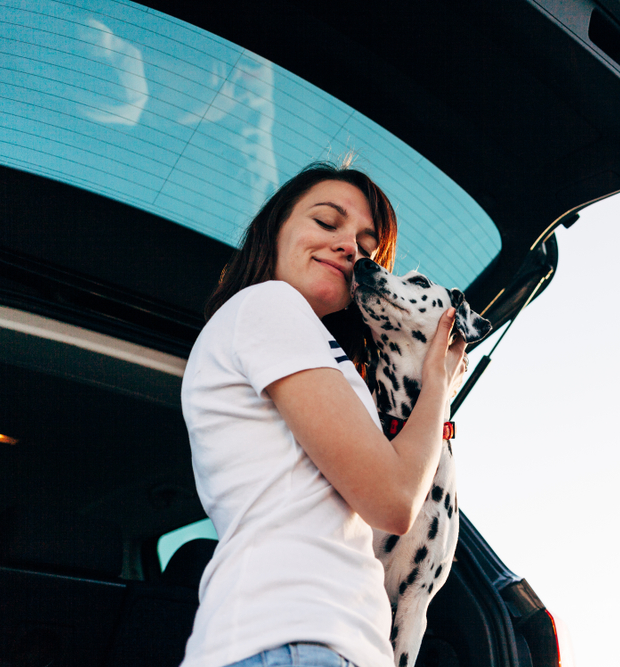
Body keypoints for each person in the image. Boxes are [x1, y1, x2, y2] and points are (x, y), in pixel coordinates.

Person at [179, 162, 468, 667]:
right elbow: (395, 498)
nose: (351, 247)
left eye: (365, 243)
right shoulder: (269, 305)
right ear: (274, 231)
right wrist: (439, 383)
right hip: (291, 641)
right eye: (326, 222)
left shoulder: (310, 346)